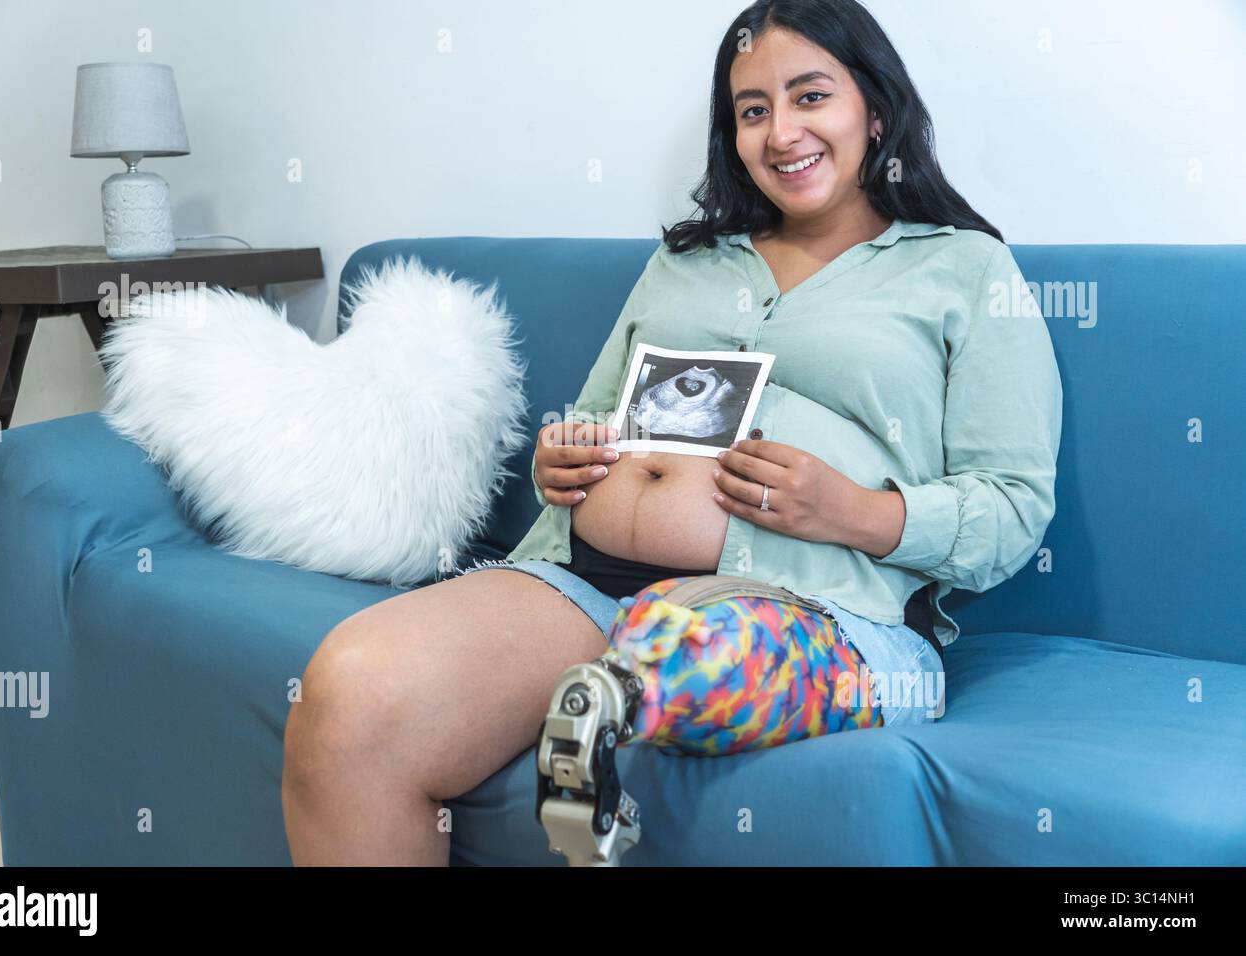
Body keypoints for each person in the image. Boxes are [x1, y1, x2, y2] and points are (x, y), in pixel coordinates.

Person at [282, 0, 1062, 866]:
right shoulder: (687, 260)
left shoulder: (965, 268)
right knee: (350, 695)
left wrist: (852, 510)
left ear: (875, 111)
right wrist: (563, 454)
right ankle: (616, 692)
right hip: (583, 583)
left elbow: (1012, 507)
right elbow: (586, 415)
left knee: (703, 645)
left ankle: (622, 701)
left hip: (818, 599)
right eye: (752, 110)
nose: (780, 132)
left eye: (811, 96)